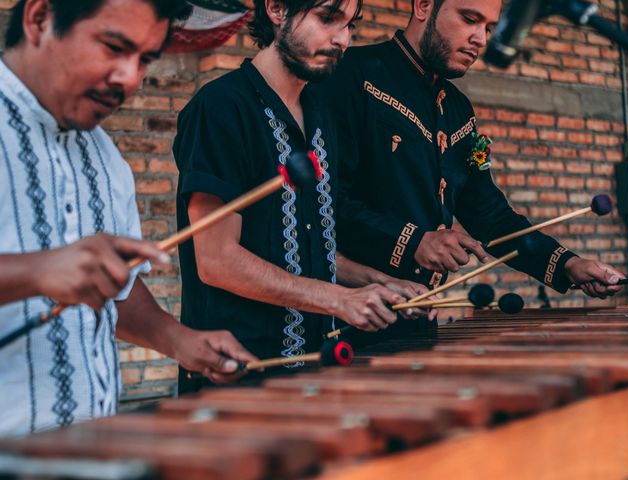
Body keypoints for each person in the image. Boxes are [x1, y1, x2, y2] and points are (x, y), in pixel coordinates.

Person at [0, 0, 257, 437]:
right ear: (39, 19)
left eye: (145, 60)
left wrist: (179, 340)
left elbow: (117, 290)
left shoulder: (106, 158)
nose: (131, 79)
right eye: (114, 47)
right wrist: (37, 272)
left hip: (89, 446)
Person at [174, 0, 432, 393]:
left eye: (351, 25)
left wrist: (378, 283)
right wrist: (337, 300)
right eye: (328, 18)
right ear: (277, 9)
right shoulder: (220, 108)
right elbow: (215, 260)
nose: (342, 39)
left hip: (312, 373)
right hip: (236, 379)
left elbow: (312, 246)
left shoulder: (321, 112)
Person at [322, 0, 625, 302]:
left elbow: (489, 215)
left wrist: (567, 264)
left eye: (490, 28)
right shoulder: (350, 75)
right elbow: (325, 203)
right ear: (423, 6)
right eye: (469, 19)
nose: (481, 39)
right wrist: (414, 242)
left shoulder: (459, 110)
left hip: (415, 312)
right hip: (345, 312)